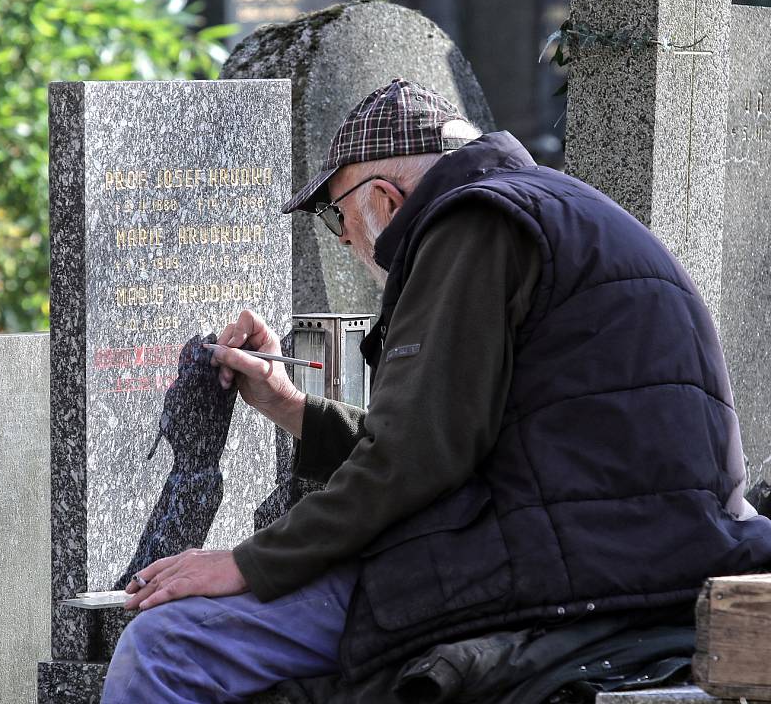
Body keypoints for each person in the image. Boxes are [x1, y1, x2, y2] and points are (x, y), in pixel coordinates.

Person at [101, 79, 771, 704]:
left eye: (338, 218)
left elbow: (418, 457)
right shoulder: (546, 207)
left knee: (167, 646)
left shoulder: (468, 224)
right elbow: (464, 440)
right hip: (632, 549)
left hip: (562, 571)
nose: (344, 241)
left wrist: (249, 562)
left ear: (387, 200)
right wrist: (292, 408)